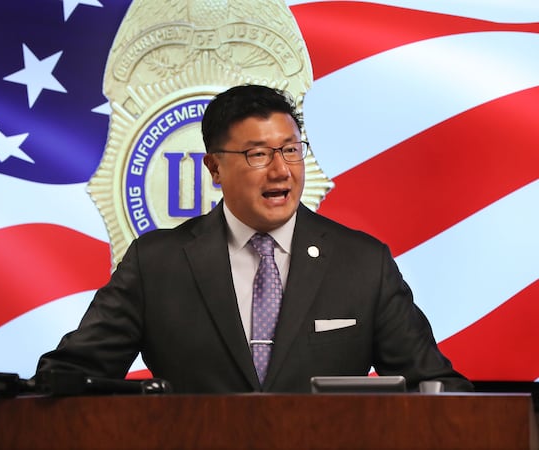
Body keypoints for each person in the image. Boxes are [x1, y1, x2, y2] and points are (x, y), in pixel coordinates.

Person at [36, 84, 473, 393]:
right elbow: (72, 375)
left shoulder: (363, 264)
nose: (282, 170)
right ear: (214, 168)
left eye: (291, 150)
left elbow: (434, 387)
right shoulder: (156, 265)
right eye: (258, 154)